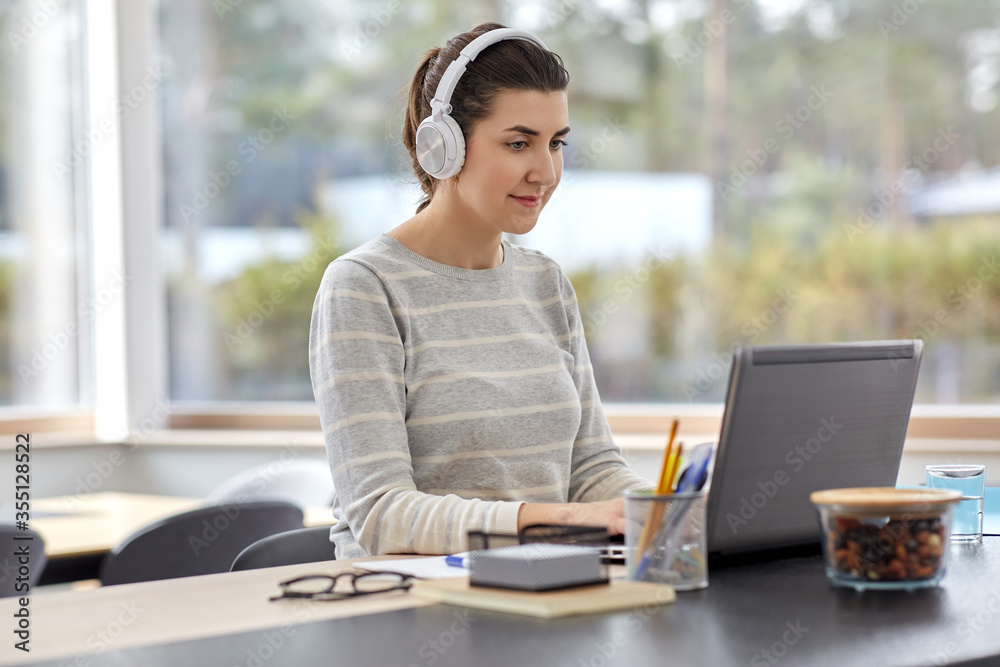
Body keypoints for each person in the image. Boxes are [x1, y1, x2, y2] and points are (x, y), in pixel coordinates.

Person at [309, 22, 652, 559]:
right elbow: (381, 513)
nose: (546, 172)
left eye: (556, 144)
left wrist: (663, 511)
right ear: (442, 147)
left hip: (540, 587)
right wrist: (564, 519)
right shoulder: (364, 287)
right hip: (405, 610)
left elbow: (591, 470)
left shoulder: (546, 284)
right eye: (519, 143)